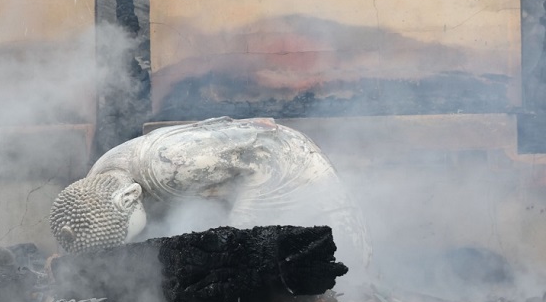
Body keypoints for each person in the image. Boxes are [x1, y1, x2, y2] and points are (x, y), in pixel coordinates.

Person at [49, 117, 371, 274]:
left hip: (283, 164)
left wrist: (239, 230)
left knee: (334, 263)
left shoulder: (168, 164)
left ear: (129, 197)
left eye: (124, 237)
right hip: (241, 175)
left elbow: (261, 150)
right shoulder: (101, 178)